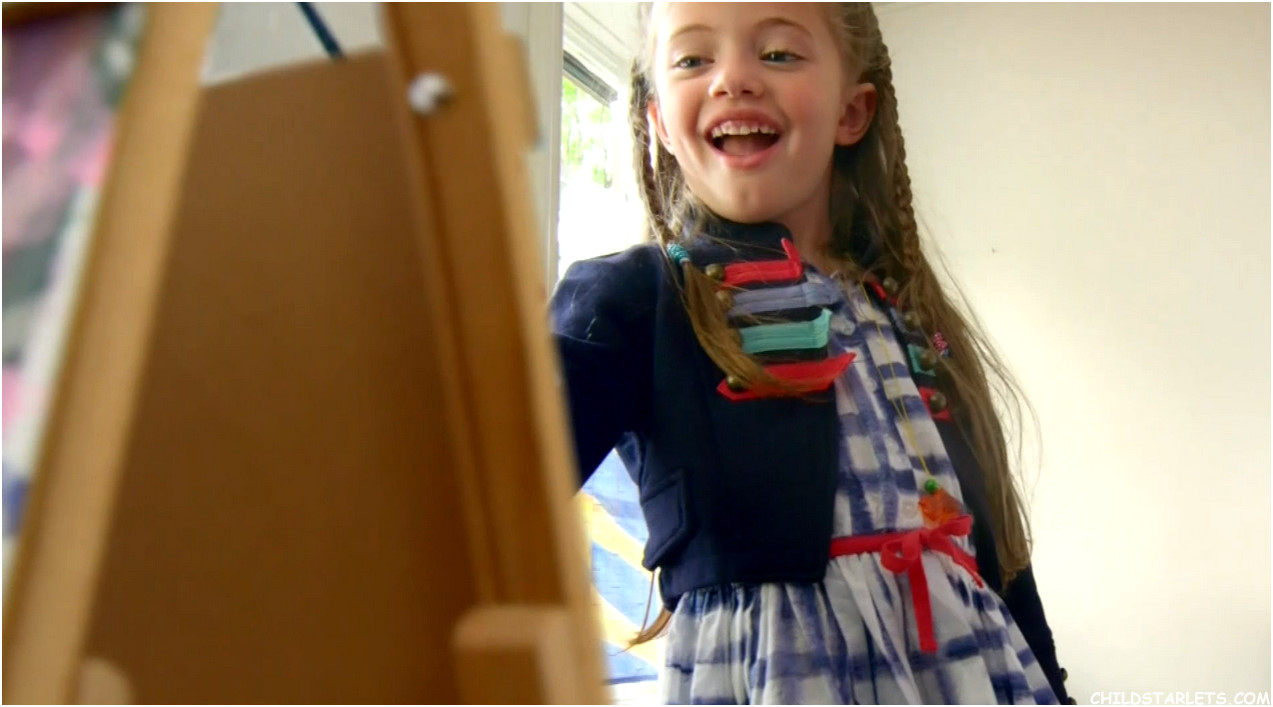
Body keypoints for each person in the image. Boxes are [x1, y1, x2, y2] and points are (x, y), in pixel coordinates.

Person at [550, 3, 1072, 704]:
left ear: (851, 113)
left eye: (777, 54)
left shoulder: (916, 321)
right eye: (692, 60)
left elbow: (1003, 567)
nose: (732, 79)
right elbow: (482, 492)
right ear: (659, 124)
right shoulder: (634, 301)